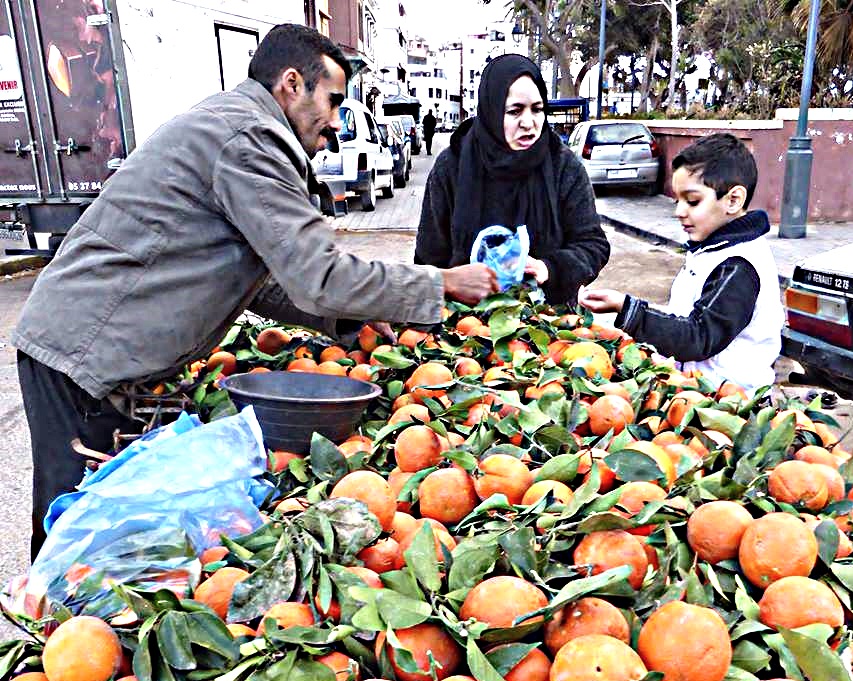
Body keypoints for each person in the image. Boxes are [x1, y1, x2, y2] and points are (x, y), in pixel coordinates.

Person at [12, 24, 498, 560]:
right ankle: (57, 630)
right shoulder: (249, 140)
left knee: (119, 523)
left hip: (106, 351)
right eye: (333, 101)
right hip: (88, 355)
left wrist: (348, 319)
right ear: (292, 83)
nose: (336, 122)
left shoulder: (237, 128)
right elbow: (318, 274)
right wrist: (439, 282)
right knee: (83, 529)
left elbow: (265, 275)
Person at [579, 133, 784, 393]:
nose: (679, 211)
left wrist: (630, 310)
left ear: (733, 200)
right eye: (678, 201)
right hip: (693, 390)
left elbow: (698, 337)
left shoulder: (739, 265)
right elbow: (686, 316)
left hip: (731, 405)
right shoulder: (712, 250)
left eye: (693, 201)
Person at [414, 54, 610, 307]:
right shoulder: (452, 166)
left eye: (537, 110)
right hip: (465, 328)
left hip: (550, 324)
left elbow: (592, 244)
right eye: (515, 111)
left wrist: (549, 268)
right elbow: (429, 257)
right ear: (492, 109)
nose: (528, 123)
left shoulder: (563, 165)